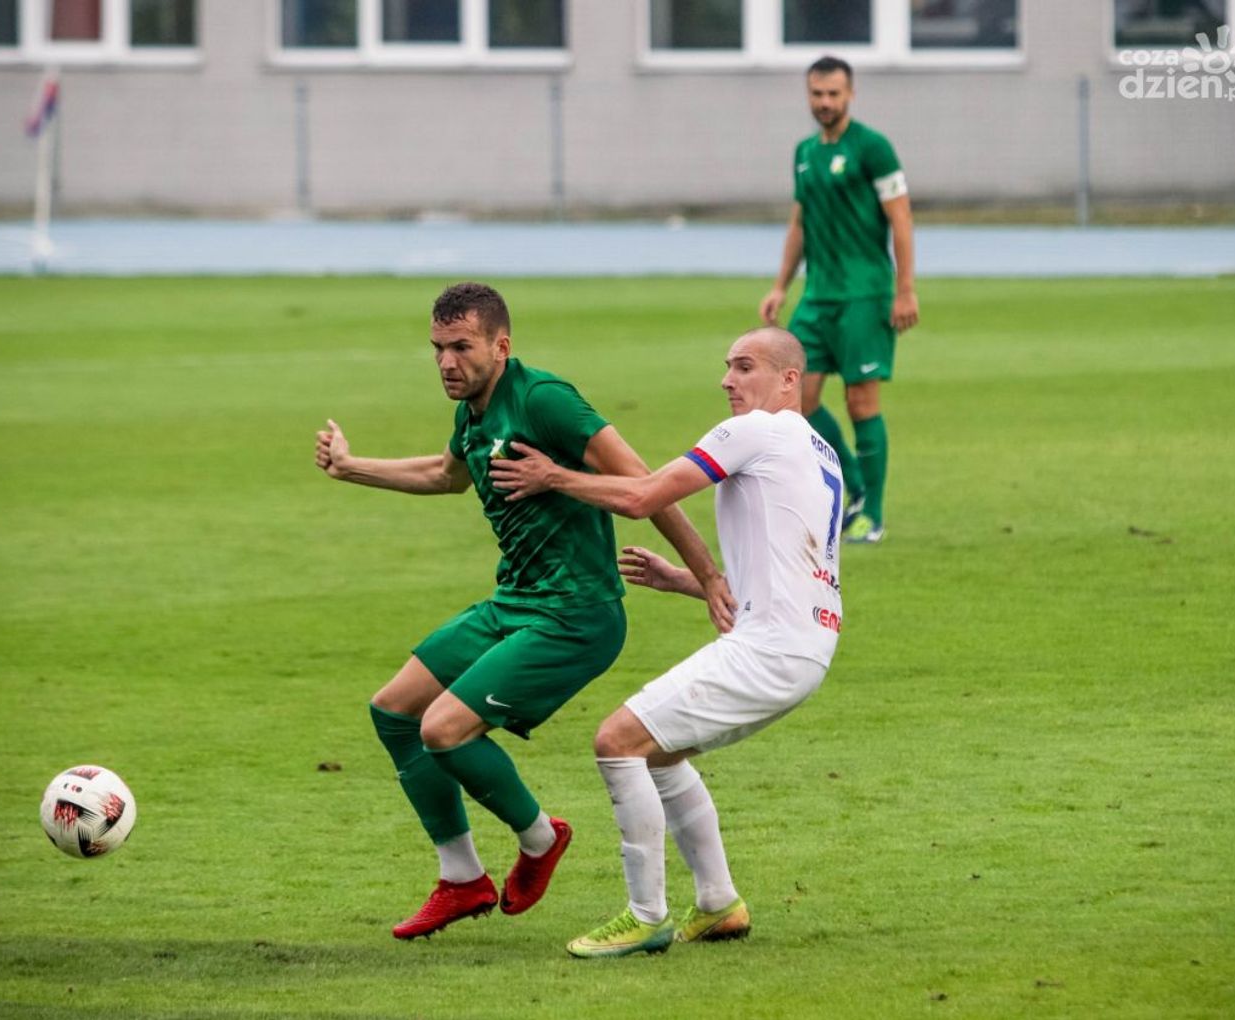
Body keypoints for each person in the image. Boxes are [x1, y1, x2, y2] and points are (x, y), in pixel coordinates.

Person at [314, 281, 732, 941]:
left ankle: (540, 838)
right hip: (514, 602)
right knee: (394, 711)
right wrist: (350, 467)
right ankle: (462, 877)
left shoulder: (543, 400)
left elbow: (647, 484)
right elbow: (446, 475)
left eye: (462, 347)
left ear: (501, 345)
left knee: (443, 730)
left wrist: (707, 577)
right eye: (438, 348)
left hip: (576, 616)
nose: (447, 362)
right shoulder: (472, 412)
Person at [489, 327, 842, 958]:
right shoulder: (820, 452)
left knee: (617, 741)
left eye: (745, 366)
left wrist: (552, 475)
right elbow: (791, 566)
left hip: (770, 648)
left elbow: (642, 495)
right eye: (727, 366)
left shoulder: (754, 431)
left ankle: (645, 915)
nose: (727, 380)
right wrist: (687, 579)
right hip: (805, 646)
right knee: (659, 754)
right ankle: (718, 903)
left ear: (790, 379)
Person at [759, 55, 918, 545]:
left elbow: (901, 219)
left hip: (864, 295)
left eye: (833, 93)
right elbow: (799, 223)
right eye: (817, 94)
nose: (825, 102)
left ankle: (874, 512)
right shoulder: (804, 152)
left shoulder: (873, 148)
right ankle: (854, 483)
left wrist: (905, 289)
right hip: (818, 296)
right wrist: (781, 285)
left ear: (850, 94)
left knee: (860, 400)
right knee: (796, 398)